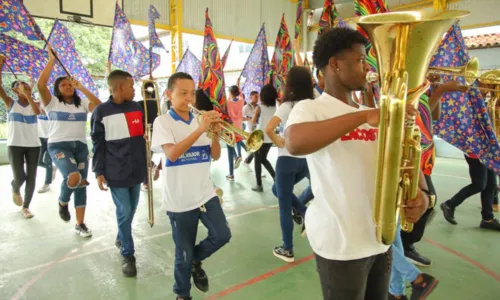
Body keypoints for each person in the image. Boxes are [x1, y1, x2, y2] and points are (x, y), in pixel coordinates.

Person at [284, 28, 430, 300]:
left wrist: (420, 194)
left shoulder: (376, 113)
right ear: (335, 65)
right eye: (361, 60)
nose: (368, 68)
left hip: (380, 239)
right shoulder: (312, 108)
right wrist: (364, 116)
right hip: (340, 243)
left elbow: (403, 157)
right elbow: (294, 142)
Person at [151, 72, 231, 300]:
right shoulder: (162, 122)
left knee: (222, 235)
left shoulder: (200, 119)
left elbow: (214, 156)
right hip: (179, 200)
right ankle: (182, 294)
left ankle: (196, 260)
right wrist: (200, 129)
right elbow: (173, 154)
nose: (189, 98)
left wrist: (214, 134)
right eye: (182, 93)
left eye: (192, 93)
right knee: (182, 253)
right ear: (169, 94)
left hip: (205, 193)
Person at [402, 75, 467, 267]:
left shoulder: (421, 86)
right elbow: (417, 115)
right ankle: (405, 245)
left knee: (426, 199)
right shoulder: (409, 85)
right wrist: (442, 90)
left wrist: (435, 90)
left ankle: (405, 244)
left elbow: (433, 115)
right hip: (412, 150)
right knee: (426, 198)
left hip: (424, 152)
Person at [37, 48, 101, 237]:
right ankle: (63, 202)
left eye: (70, 84)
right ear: (57, 89)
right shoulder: (51, 103)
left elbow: (98, 106)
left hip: (80, 147)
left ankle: (80, 223)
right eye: (63, 85)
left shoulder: (81, 104)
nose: (68, 87)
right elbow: (41, 85)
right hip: (58, 146)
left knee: (81, 185)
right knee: (74, 177)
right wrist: (51, 61)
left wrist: (82, 88)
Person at [91, 70, 147, 277]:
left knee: (131, 209)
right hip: (115, 169)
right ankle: (128, 254)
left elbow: (142, 139)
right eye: (132, 86)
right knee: (124, 210)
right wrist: (98, 171)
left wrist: (150, 164)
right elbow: (98, 144)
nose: (135, 89)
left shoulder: (137, 107)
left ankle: (121, 236)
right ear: (120, 87)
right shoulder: (101, 112)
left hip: (137, 168)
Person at [266, 66, 315, 262]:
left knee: (284, 205)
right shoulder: (315, 103)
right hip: (307, 159)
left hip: (287, 159)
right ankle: (304, 212)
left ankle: (287, 249)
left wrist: (280, 142)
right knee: (276, 189)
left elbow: (269, 129)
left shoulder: (288, 106)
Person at [440, 79, 500, 232]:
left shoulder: (487, 103)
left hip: (488, 148)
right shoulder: (470, 104)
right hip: (475, 150)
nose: (489, 90)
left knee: (491, 184)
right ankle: (450, 204)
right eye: (488, 86)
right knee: (479, 184)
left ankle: (487, 218)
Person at [0, 56, 41, 219]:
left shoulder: (34, 104)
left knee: (31, 176)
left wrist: (28, 94)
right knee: (20, 176)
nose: (25, 89)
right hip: (15, 145)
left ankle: (26, 207)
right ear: (15, 91)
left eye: (28, 87)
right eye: (20, 87)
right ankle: (15, 188)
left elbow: (37, 112)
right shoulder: (10, 103)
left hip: (33, 145)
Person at [251, 84, 277, 192]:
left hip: (259, 138)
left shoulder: (259, 108)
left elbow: (253, 122)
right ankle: (276, 178)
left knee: (258, 161)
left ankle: (259, 185)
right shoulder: (275, 107)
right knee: (263, 159)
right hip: (270, 138)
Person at [225, 85, 248, 180]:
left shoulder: (228, 102)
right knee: (237, 142)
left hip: (230, 127)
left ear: (230, 93)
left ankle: (231, 173)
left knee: (229, 149)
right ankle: (238, 156)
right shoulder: (241, 101)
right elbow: (241, 95)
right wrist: (238, 85)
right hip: (238, 126)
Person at [37, 104, 56, 194]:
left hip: (51, 138)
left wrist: (43, 108)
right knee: (38, 161)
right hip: (40, 138)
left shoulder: (52, 108)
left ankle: (47, 183)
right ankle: (52, 168)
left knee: (48, 160)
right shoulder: (35, 108)